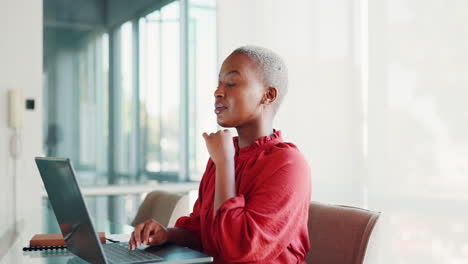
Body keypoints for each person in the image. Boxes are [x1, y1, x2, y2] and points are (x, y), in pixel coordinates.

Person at [128, 46, 311, 263]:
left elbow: (238, 251)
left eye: (231, 83)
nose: (218, 92)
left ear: (268, 95)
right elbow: (203, 233)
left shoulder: (288, 164)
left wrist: (224, 163)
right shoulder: (224, 154)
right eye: (219, 84)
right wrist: (167, 234)